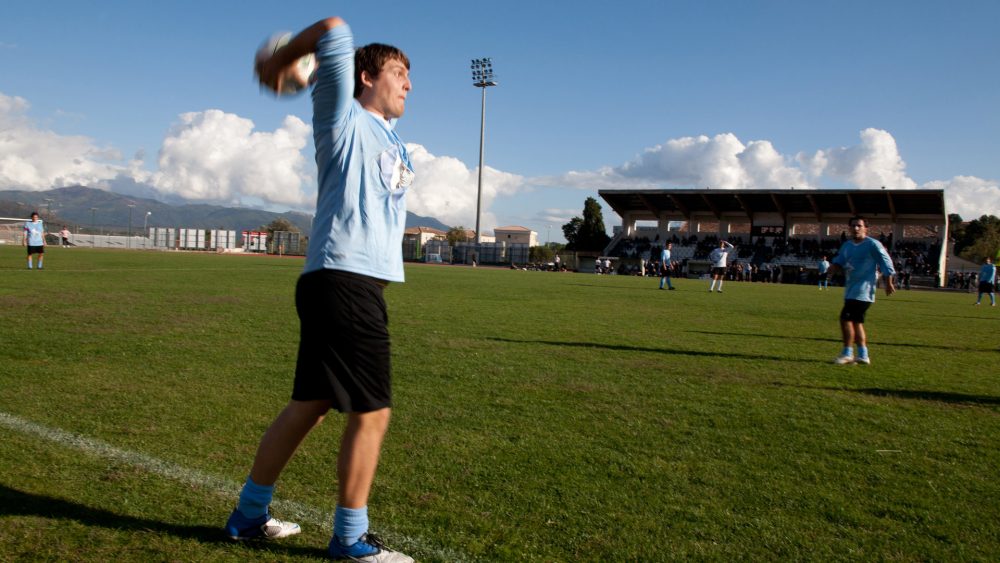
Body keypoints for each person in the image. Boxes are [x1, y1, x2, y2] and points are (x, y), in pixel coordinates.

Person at [225, 17, 414, 562]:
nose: (407, 84)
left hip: (345, 284)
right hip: (342, 281)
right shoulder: (343, 117)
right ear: (365, 76)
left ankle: (248, 515)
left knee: (308, 405)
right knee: (372, 412)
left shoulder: (393, 139)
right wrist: (278, 61)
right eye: (398, 72)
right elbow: (334, 27)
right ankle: (351, 540)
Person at [827, 216, 896, 365]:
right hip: (851, 290)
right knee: (857, 322)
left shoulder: (873, 244)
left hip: (863, 290)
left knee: (845, 319)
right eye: (853, 226)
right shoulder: (847, 246)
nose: (856, 228)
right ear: (849, 228)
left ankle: (847, 353)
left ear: (866, 228)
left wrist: (888, 282)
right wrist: (833, 268)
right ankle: (863, 355)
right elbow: (839, 261)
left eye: (859, 225)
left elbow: (886, 262)